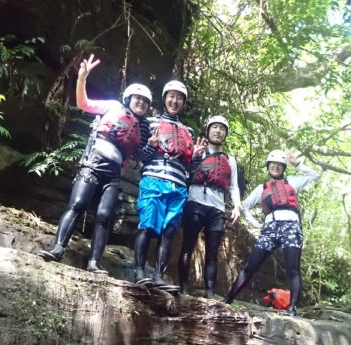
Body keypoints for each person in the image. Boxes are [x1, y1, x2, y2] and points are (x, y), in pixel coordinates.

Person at [38, 54, 151, 273]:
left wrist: (150, 146)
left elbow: (135, 156)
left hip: (113, 174)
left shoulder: (140, 128)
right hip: (93, 162)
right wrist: (82, 78)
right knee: (77, 205)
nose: (142, 103)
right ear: (129, 98)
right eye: (138, 99)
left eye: (145, 102)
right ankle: (58, 248)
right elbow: (83, 103)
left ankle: (94, 263)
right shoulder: (113, 106)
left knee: (104, 215)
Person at [224, 150, 319, 316]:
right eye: (272, 164)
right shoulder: (262, 188)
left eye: (279, 165)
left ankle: (292, 309)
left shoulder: (293, 182)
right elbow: (244, 206)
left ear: (283, 168)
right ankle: (228, 300)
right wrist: (255, 223)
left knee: (293, 269)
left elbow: (315, 176)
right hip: (270, 228)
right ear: (268, 167)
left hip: (291, 226)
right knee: (250, 266)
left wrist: (297, 164)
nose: (275, 167)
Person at [133, 80, 201, 289]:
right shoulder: (149, 123)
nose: (175, 100)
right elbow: (139, 156)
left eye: (179, 97)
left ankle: (158, 276)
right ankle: (139, 272)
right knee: (147, 226)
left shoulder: (188, 131)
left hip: (178, 186)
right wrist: (151, 147)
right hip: (153, 180)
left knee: (169, 231)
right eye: (171, 96)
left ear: (183, 102)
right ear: (164, 99)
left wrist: (196, 158)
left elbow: (189, 169)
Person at [177, 115, 241, 298]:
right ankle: (183, 288)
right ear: (208, 130)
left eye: (222, 128)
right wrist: (193, 156)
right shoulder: (197, 151)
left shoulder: (230, 160)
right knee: (187, 246)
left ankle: (210, 293)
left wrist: (237, 206)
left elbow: (233, 186)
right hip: (195, 202)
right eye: (215, 127)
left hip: (217, 208)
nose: (218, 131)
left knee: (212, 253)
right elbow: (185, 172)